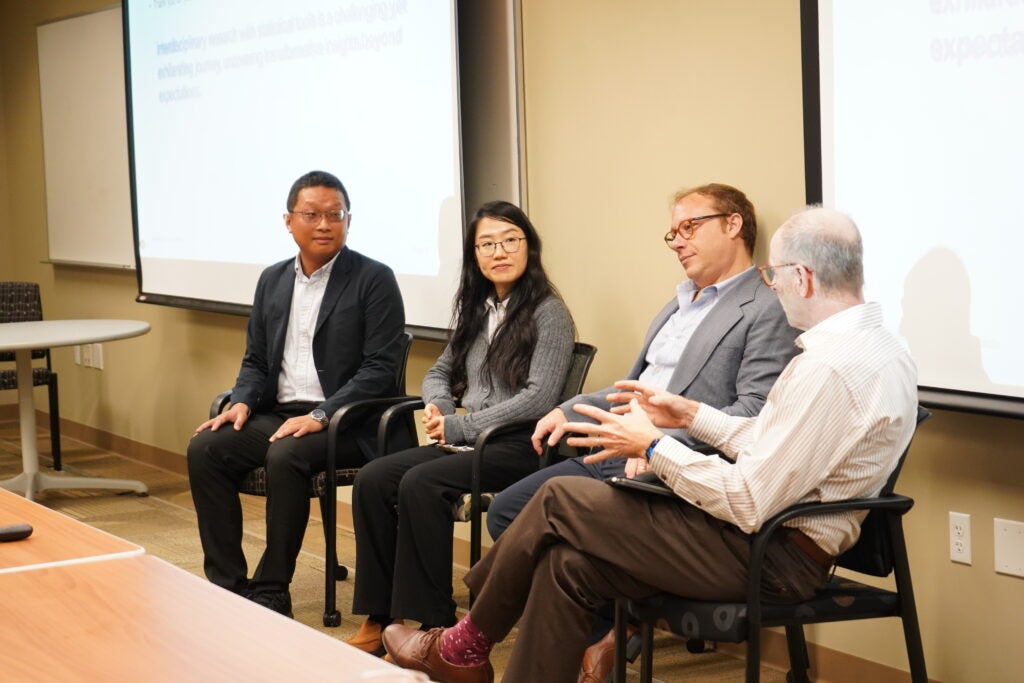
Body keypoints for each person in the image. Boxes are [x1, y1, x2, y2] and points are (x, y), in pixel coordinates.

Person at [380, 206, 919, 683]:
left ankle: (462, 645)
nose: (772, 286)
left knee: (557, 498)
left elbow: (751, 500)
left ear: (802, 277)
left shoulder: (828, 367)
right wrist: (691, 414)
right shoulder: (876, 347)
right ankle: (469, 653)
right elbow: (774, 442)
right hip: (762, 539)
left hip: (769, 555)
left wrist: (656, 445)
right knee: (566, 566)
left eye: (776, 275)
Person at [483, 183, 799, 681]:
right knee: (506, 513)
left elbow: (753, 414)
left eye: (689, 227)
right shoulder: (677, 305)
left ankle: (481, 640)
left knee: (544, 519)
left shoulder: (765, 307)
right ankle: (612, 631)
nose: (677, 241)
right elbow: (635, 389)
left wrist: (660, 447)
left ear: (733, 224)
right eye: (672, 233)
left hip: (666, 464)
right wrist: (570, 408)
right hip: (618, 447)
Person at [345, 200, 576, 656]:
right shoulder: (477, 307)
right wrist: (439, 407)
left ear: (530, 247)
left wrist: (460, 427)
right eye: (487, 244)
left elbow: (540, 398)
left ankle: (434, 622)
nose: (500, 251)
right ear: (475, 255)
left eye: (511, 240)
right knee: (373, 480)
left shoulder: (550, 313)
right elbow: (439, 371)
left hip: (519, 444)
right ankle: (381, 615)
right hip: (468, 438)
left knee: (420, 483)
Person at [187, 170, 407, 617]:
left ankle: (272, 588)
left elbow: (379, 370)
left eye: (335, 215)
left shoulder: (374, 279)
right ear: (289, 221)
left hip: (351, 422)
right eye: (312, 214)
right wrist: (244, 401)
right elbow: (255, 359)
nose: (324, 224)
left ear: (349, 220)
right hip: (281, 413)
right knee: (205, 448)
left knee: (285, 455)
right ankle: (228, 584)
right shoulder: (272, 280)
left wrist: (323, 414)